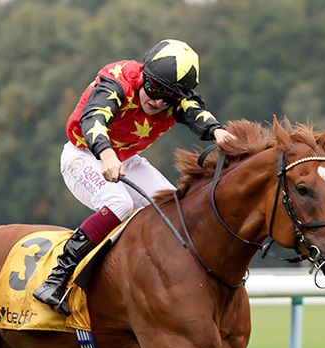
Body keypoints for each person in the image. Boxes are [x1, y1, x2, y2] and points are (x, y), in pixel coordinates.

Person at [33, 39, 236, 314]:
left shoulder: (173, 98)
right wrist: (106, 155)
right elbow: (93, 117)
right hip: (82, 154)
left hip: (125, 159)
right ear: (144, 76)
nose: (156, 101)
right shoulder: (119, 80)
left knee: (174, 207)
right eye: (152, 89)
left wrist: (218, 132)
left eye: (167, 98)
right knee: (120, 204)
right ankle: (58, 275)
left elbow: (195, 112)